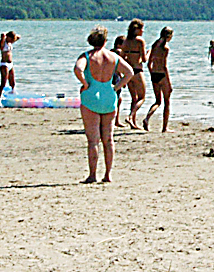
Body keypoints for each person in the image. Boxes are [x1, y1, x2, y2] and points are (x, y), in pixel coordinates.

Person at [74, 26, 133, 183]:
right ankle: (107, 175)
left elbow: (78, 69)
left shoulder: (86, 56)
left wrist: (85, 84)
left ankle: (92, 175)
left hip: (91, 97)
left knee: (93, 140)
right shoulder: (112, 57)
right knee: (108, 139)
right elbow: (129, 72)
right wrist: (116, 87)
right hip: (108, 97)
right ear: (105, 41)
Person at [143, 26, 174, 132]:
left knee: (157, 101)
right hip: (162, 74)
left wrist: (152, 73)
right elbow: (164, 66)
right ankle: (165, 128)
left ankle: (147, 118)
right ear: (169, 36)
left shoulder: (155, 45)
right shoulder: (165, 48)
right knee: (166, 102)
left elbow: (149, 63)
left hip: (154, 74)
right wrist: (169, 82)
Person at [120, 19, 149, 129]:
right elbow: (144, 59)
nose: (142, 31)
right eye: (141, 29)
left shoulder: (126, 41)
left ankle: (133, 123)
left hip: (128, 72)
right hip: (137, 70)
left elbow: (122, 57)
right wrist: (148, 53)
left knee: (134, 98)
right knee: (142, 97)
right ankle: (130, 116)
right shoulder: (139, 41)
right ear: (137, 30)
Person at [0, 31, 19, 107]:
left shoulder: (9, 43)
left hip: (10, 64)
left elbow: (19, 37)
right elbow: (2, 35)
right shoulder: (3, 43)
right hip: (4, 64)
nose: (13, 41)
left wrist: (13, 37)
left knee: (13, 83)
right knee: (3, 83)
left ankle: (13, 98)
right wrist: (5, 35)